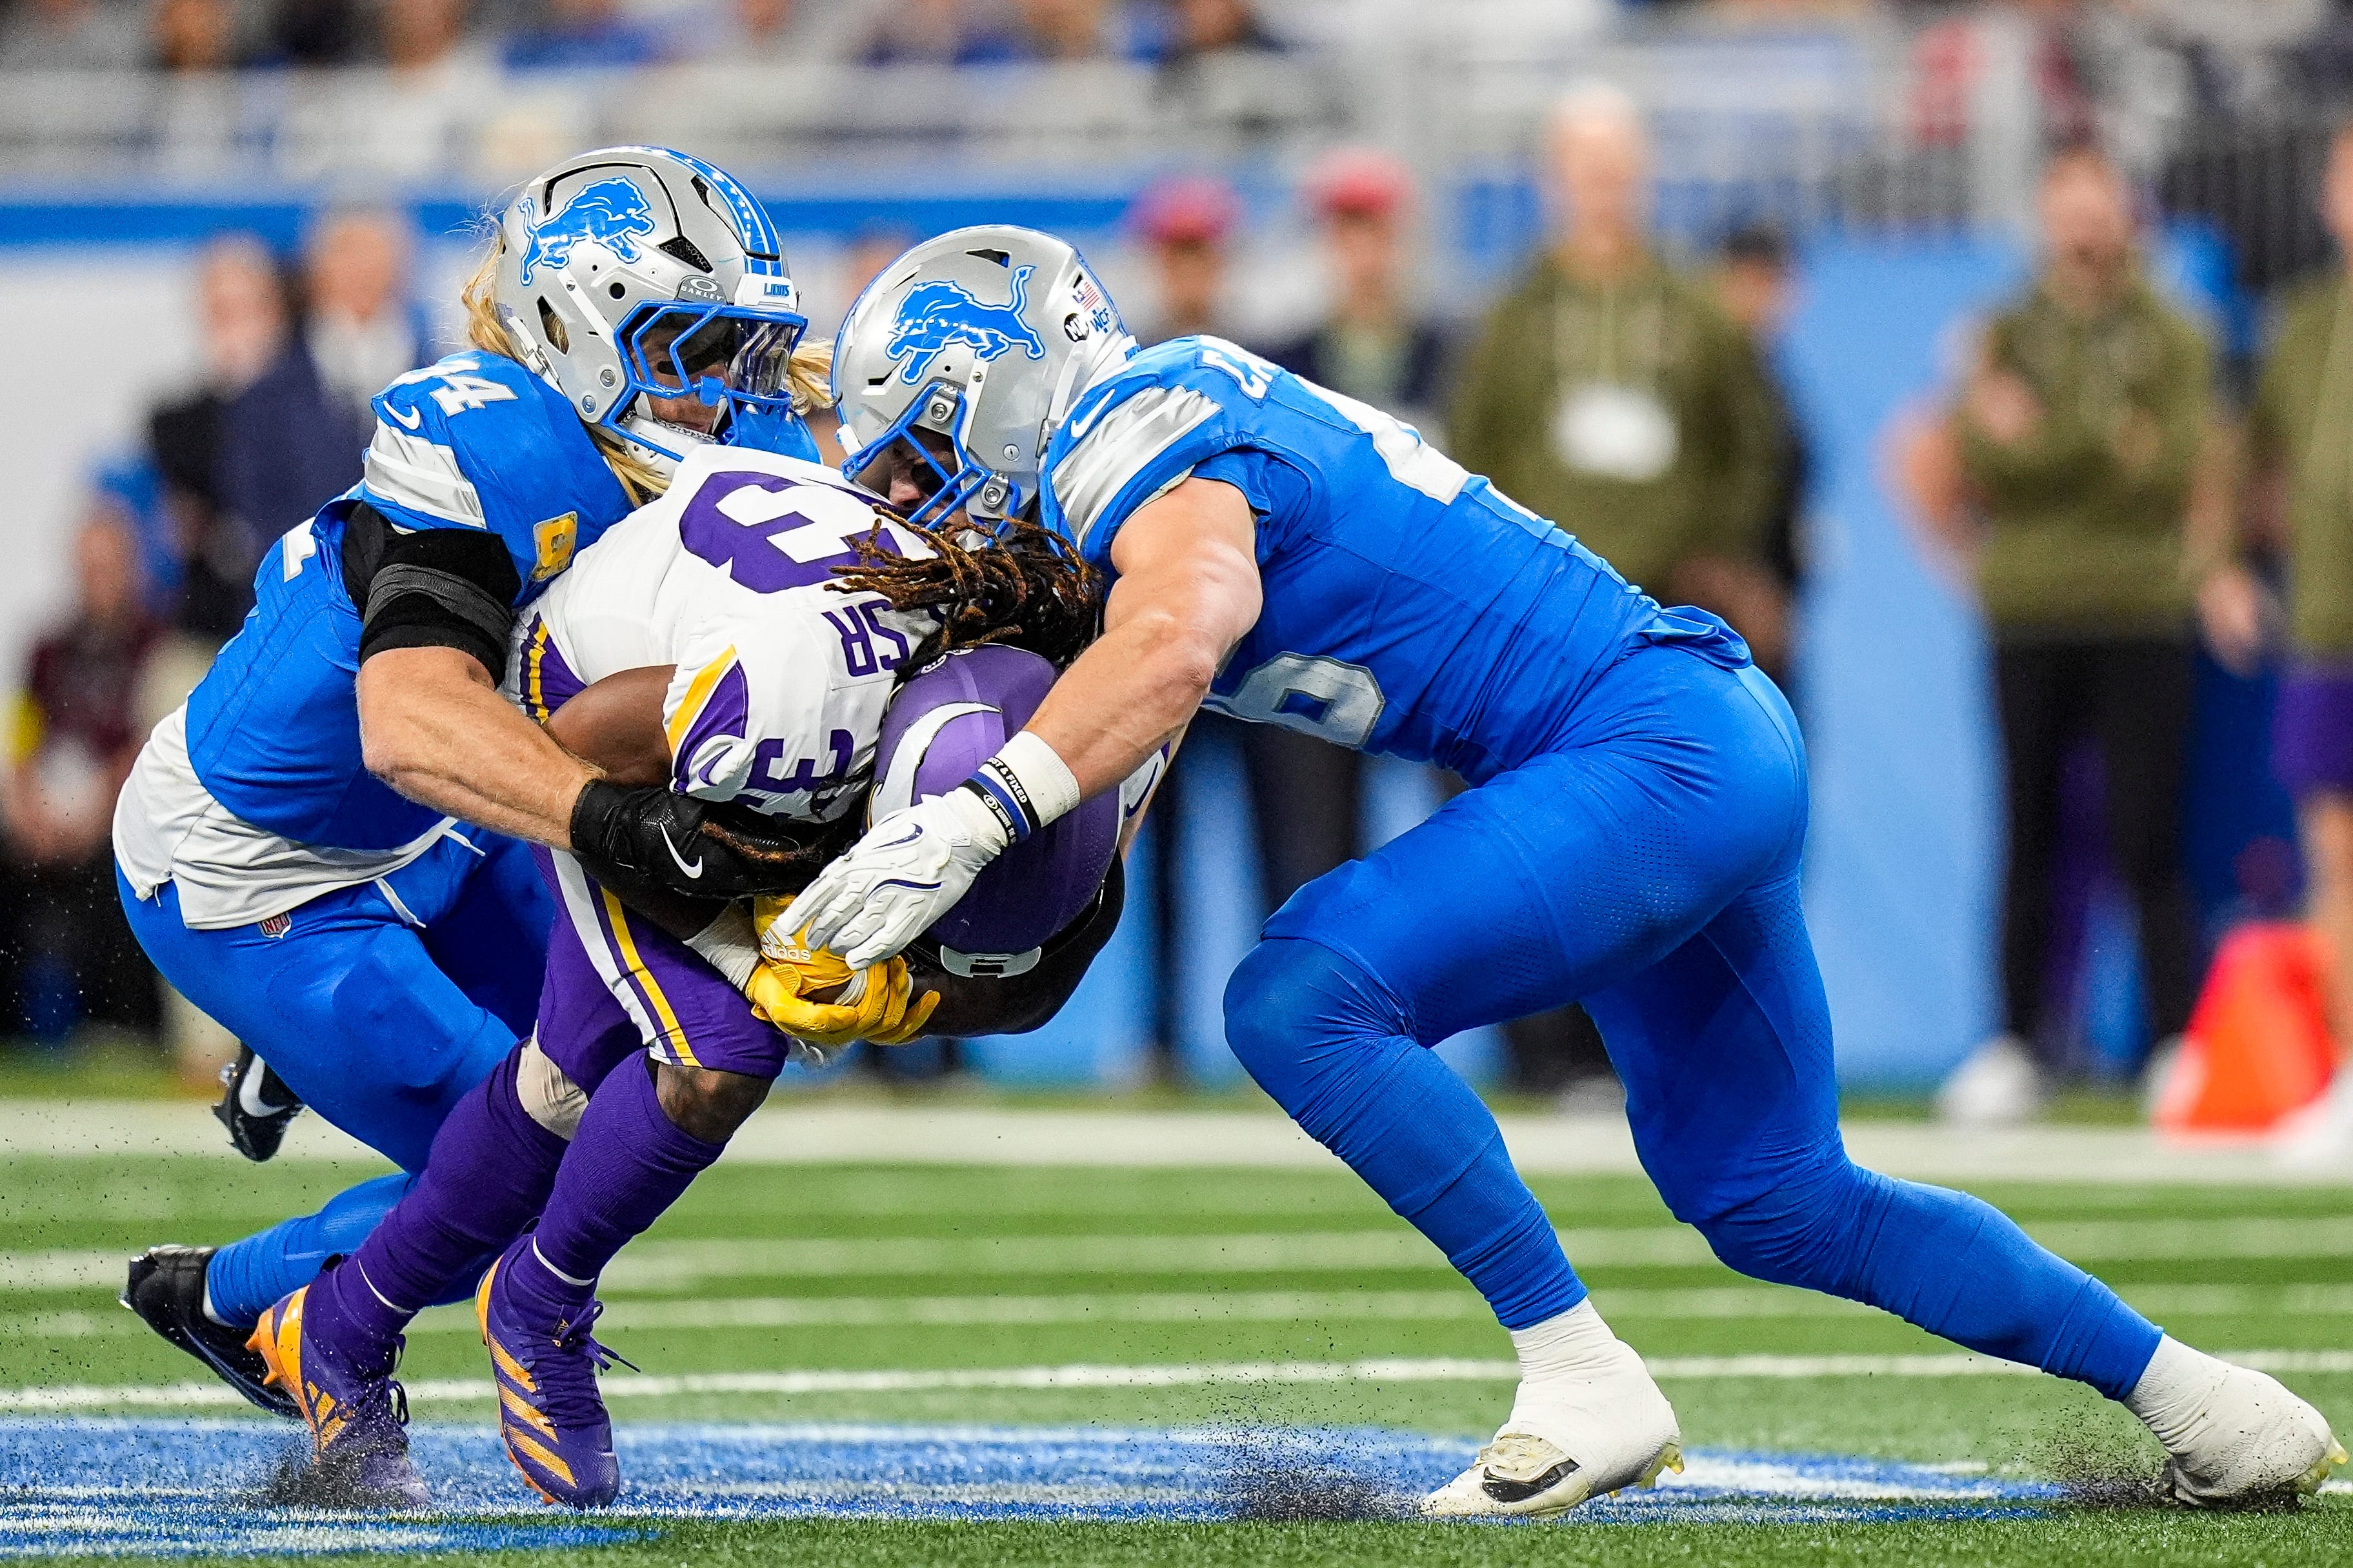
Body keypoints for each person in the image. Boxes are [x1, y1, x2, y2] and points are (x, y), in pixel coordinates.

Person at [799, 224, 2346, 1516]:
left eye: (932, 450)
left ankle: (1580, 1371)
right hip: (1693, 736)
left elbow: (1178, 636)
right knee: (1776, 1197)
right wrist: (956, 952)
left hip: (1638, 751)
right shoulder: (1152, 437)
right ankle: (2207, 1399)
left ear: (1001, 397)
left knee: (1298, 992)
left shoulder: (1131, 437)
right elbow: (1122, 768)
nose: (935, 499)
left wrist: (986, 806)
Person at [242, 445, 1121, 1505]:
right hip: (597, 704)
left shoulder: (1079, 721)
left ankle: (337, 1329)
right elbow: (580, 753)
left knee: (561, 1085)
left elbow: (1046, 971)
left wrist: (907, 999)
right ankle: (540, 1297)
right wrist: (733, 922)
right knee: (723, 1050)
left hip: (773, 700)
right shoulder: (796, 696)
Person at [116, 147, 832, 1418]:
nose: (727, 387)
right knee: (521, 1171)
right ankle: (240, 1300)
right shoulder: (483, 438)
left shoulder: (735, 436)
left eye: (740, 347)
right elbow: (407, 721)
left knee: (644, 1088)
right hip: (264, 864)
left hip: (445, 819)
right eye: (689, 343)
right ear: (573, 326)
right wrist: (612, 819)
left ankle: (297, 1084)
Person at [1933, 144, 2222, 1126]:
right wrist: (2099, 440)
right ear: (2042, 217)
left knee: (2149, 833)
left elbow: (2169, 461)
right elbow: (1974, 454)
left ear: (2125, 214)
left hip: (2140, 606)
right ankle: (2016, 1038)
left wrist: (2042, 439)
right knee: (2027, 830)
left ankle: (2175, 1042)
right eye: (2065, 206)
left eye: (2098, 205)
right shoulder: (2004, 330)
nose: (2082, 225)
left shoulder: (2172, 333)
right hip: (2028, 610)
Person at [1450, 82, 1786, 652]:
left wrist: (1715, 547)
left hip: (1674, 593)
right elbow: (1474, 437)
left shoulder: (1695, 307)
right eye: (1585, 170)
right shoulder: (1513, 313)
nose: (1601, 189)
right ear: (1552, 180)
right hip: (1543, 592)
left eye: (1615, 170)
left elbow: (1747, 439)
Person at [2241, 118, 2353, 1164]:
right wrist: (2224, 570)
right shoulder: (2303, 322)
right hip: (2326, 630)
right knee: (2334, 858)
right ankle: (2351, 1078)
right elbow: (2255, 472)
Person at [1, 507, 161, 1046]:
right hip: (47, 806)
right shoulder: (47, 649)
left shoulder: (154, 646)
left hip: (116, 809)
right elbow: (22, 738)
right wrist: (26, 808)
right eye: (88, 568)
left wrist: (97, 808)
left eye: (108, 567)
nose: (98, 581)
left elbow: (151, 737)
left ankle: (118, 1026)